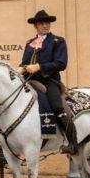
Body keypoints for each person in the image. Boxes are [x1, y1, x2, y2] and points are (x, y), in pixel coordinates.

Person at [18, 9, 74, 154]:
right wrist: (21, 68)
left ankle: (72, 142)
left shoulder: (58, 41)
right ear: (35, 26)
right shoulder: (30, 43)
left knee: (58, 107)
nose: (45, 26)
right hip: (29, 80)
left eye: (47, 23)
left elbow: (61, 63)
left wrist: (39, 67)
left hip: (49, 80)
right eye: (42, 23)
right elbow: (24, 62)